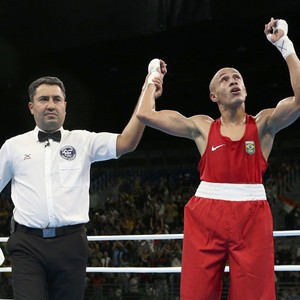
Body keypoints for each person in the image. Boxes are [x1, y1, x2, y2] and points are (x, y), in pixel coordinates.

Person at [136, 17, 300, 299]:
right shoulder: (201, 127)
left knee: (255, 294)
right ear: (214, 96)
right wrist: (154, 78)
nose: (233, 81)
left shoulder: (263, 125)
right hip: (206, 214)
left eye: (237, 77)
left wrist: (285, 45)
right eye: (225, 79)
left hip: (252, 215)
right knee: (196, 293)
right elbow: (145, 115)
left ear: (245, 90)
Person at [0, 67, 166, 299]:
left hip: (71, 243)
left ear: (65, 106)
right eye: (43, 99)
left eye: (56, 99)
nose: (50, 105)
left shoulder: (83, 140)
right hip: (27, 245)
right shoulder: (12, 146)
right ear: (32, 107)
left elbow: (127, 142)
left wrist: (147, 88)